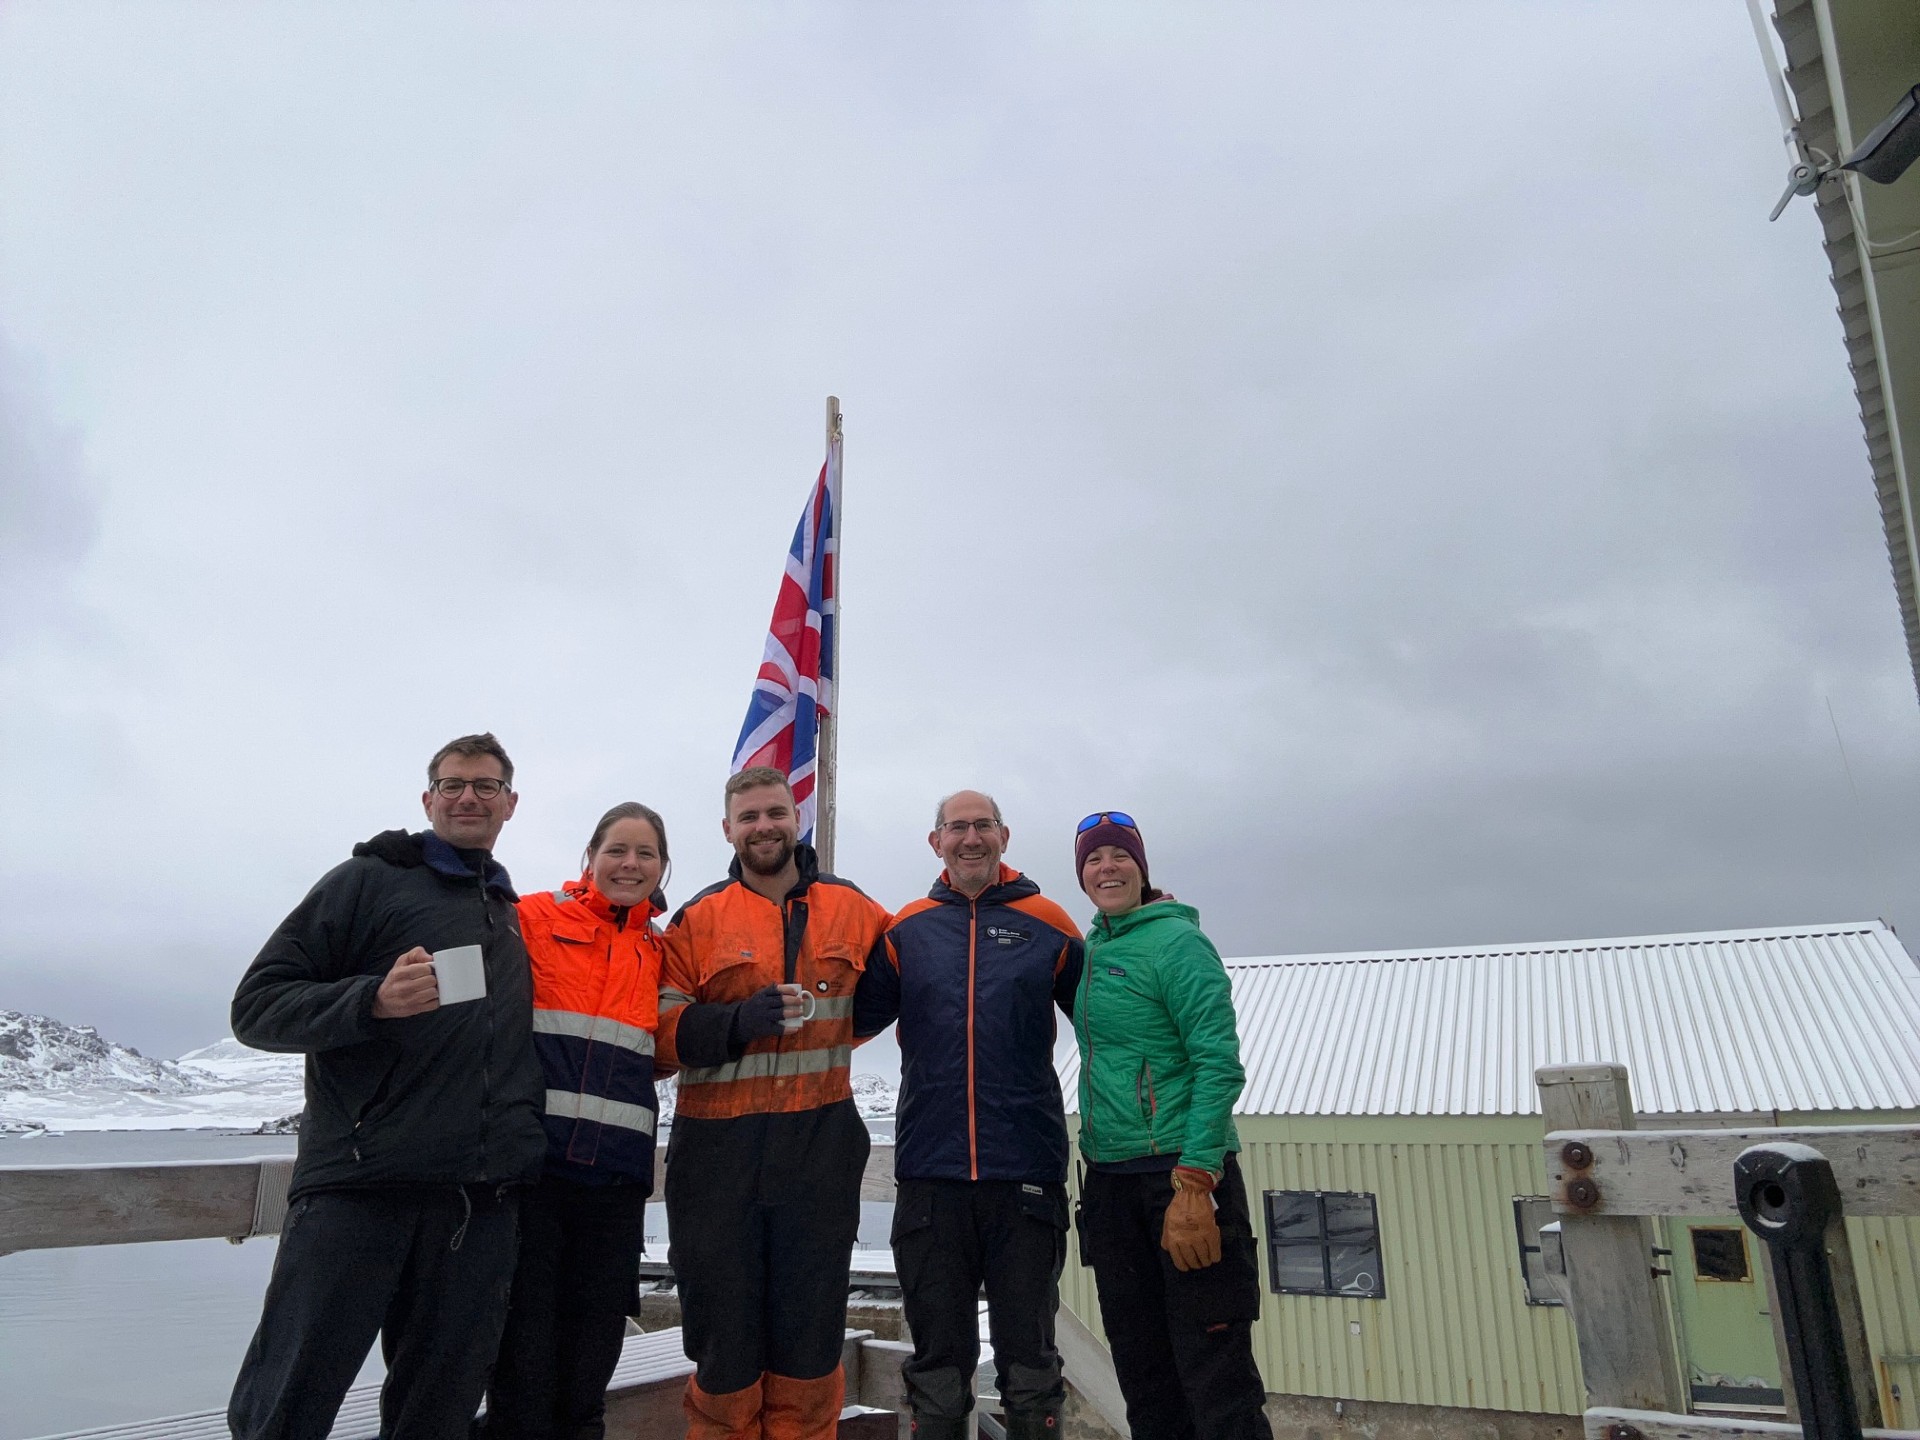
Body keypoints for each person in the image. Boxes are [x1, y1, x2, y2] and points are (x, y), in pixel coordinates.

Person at [228, 733, 546, 1440]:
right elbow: (255, 1007)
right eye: (453, 783)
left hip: (476, 1202)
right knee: (290, 1399)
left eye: (486, 786)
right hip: (361, 1191)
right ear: (428, 798)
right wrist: (371, 999)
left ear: (510, 804)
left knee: (438, 1413)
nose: (469, 797)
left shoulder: (504, 906)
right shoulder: (365, 882)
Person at [655, 766, 893, 1440]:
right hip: (716, 1161)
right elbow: (660, 1037)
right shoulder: (697, 920)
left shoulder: (855, 909)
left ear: (797, 819)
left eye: (775, 813)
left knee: (809, 1346)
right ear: (727, 829)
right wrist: (734, 1021)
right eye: (749, 816)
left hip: (817, 1152)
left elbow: (919, 969)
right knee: (724, 1349)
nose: (764, 826)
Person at [853, 790, 1084, 1440]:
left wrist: (1149, 921)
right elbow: (845, 1023)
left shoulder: (1049, 922)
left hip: (1025, 1180)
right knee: (938, 1370)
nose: (970, 838)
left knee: (1031, 1366)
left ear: (1004, 837)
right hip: (932, 1180)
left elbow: (1111, 1019)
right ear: (937, 843)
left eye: (983, 826)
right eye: (958, 828)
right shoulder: (909, 928)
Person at [1069, 811, 1273, 1440]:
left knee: (1216, 1380)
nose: (1108, 867)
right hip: (1110, 1182)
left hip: (1178, 1177)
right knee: (1144, 1376)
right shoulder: (1096, 945)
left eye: (1119, 855)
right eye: (1094, 859)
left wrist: (1195, 1182)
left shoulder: (1179, 943)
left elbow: (1219, 1062)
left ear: (1142, 866)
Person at [481, 801, 674, 1439]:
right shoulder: (533, 917)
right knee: (522, 1363)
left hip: (615, 1187)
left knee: (590, 1368)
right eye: (617, 850)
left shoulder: (662, 952)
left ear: (662, 868)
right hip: (534, 1177)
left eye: (645, 853)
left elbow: (673, 1045)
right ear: (588, 858)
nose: (630, 864)